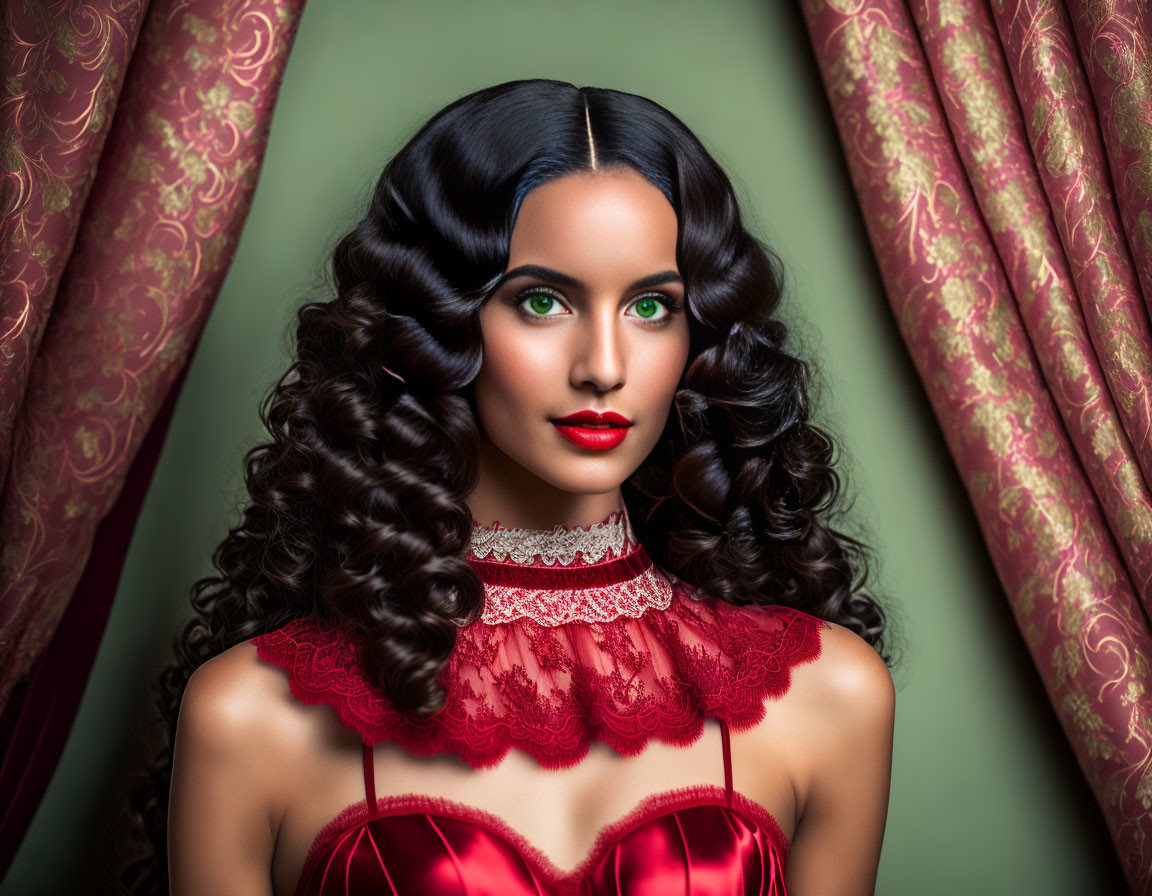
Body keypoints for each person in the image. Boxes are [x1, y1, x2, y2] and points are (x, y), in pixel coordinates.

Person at [123, 79, 897, 895]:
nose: (603, 365)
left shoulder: (829, 698)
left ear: (698, 335)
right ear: (441, 322)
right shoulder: (250, 718)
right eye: (541, 300)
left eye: (650, 307)